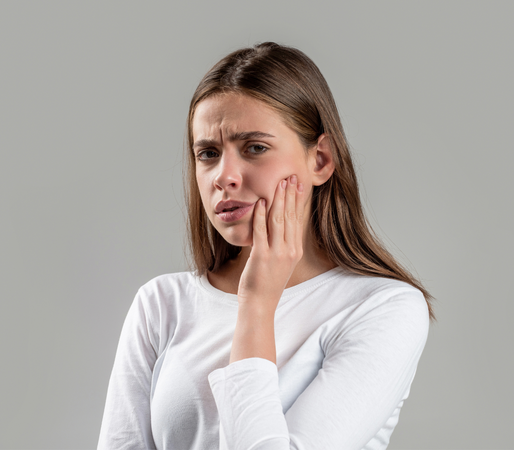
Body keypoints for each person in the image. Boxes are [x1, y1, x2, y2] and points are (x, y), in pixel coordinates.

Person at [97, 42, 434, 450]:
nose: (224, 176)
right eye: (208, 153)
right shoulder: (161, 304)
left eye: (254, 148)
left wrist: (257, 302)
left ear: (321, 160)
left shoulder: (384, 308)